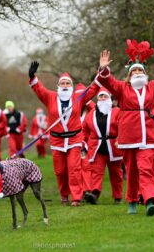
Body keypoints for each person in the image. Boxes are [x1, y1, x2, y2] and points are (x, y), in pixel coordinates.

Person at [97, 39, 154, 216]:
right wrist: (103, 70)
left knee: (146, 169)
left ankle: (149, 201)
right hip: (129, 137)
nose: (137, 72)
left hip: (149, 136)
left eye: (140, 70)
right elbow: (109, 83)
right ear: (129, 75)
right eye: (134, 71)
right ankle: (131, 201)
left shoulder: (153, 87)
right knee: (131, 172)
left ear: (144, 73)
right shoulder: (122, 89)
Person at [28, 61, 101, 206]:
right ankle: (64, 195)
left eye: (68, 83)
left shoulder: (78, 98)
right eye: (63, 83)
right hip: (57, 141)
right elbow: (39, 89)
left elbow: (93, 89)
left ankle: (76, 198)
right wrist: (32, 76)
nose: (66, 85)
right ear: (58, 86)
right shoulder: (50, 97)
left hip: (74, 139)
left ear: (72, 86)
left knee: (74, 169)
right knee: (60, 172)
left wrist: (102, 71)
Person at [83, 88, 123, 205]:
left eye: (105, 96)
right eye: (100, 96)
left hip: (114, 146)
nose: (102, 98)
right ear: (97, 99)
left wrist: (120, 139)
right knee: (96, 172)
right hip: (97, 148)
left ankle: (118, 197)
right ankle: (94, 194)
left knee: (116, 173)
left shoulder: (117, 111)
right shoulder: (91, 114)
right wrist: (84, 143)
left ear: (110, 98)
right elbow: (84, 130)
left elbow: (123, 127)